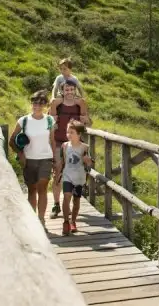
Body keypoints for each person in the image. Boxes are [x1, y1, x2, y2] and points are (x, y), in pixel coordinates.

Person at [10, 90, 56, 227]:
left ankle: (41, 221)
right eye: (35, 103)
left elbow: (52, 141)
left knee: (42, 189)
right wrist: (21, 155)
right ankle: (33, 222)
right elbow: (11, 141)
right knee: (32, 190)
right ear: (31, 104)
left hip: (45, 158)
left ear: (45, 106)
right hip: (29, 160)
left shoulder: (49, 120)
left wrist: (55, 160)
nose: (37, 106)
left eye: (41, 104)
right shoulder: (23, 120)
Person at [48, 79, 91, 219]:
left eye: (72, 89)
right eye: (67, 89)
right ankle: (56, 204)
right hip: (60, 143)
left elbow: (87, 124)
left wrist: (83, 111)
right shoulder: (57, 105)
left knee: (75, 174)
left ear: (75, 90)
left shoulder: (80, 105)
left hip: (76, 144)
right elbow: (50, 124)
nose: (70, 92)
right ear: (62, 91)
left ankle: (71, 205)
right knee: (57, 174)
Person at [59, 120, 92, 235]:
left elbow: (89, 164)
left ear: (79, 134)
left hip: (79, 177)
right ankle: (66, 222)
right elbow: (62, 161)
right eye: (68, 132)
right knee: (66, 196)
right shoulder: (64, 146)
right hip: (67, 175)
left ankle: (73, 221)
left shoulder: (85, 148)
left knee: (76, 201)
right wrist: (58, 172)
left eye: (72, 132)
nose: (69, 135)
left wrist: (88, 162)